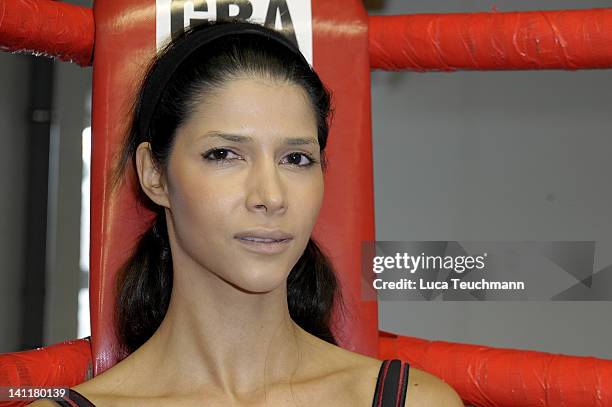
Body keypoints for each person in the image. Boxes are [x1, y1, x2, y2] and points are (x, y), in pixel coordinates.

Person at [31, 20, 463, 406]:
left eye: (296, 159)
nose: (270, 196)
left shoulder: (413, 402)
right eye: (224, 154)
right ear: (154, 175)